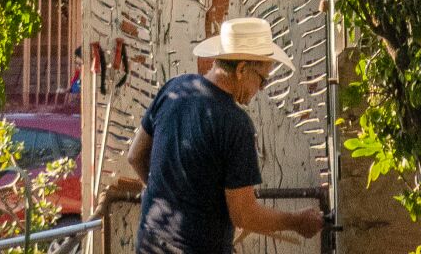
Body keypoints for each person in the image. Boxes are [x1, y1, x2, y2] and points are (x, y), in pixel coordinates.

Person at [104, 17, 323, 254]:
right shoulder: (235, 124)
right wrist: (296, 221)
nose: (261, 89)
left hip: (150, 243)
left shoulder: (174, 88)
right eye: (262, 80)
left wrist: (168, 195)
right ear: (241, 70)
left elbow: (135, 156)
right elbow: (244, 215)